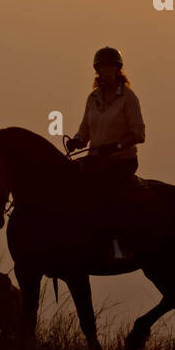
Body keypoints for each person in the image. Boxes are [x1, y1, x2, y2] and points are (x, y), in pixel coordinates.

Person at [64, 47, 146, 261]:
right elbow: (85, 130)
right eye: (102, 67)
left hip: (122, 161)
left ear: (118, 70)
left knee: (106, 195)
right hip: (96, 160)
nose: (106, 71)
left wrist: (116, 146)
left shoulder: (129, 98)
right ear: (97, 71)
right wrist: (76, 141)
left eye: (110, 67)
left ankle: (117, 244)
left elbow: (138, 133)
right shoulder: (93, 98)